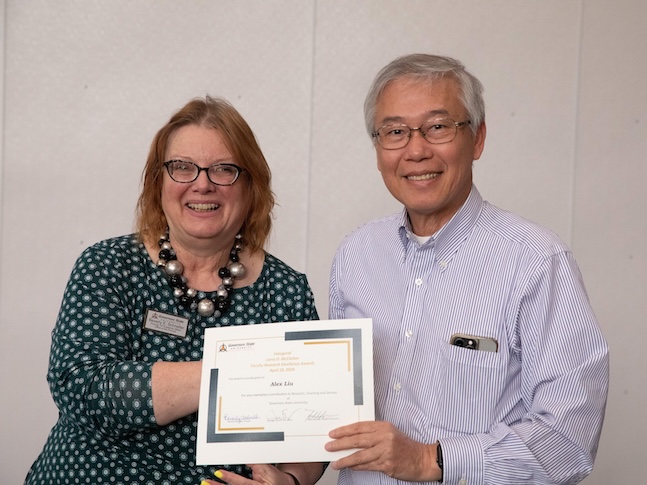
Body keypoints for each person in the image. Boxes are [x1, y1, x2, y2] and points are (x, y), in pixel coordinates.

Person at [324, 54, 609, 484]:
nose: (416, 150)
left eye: (438, 127)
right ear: (378, 148)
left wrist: (429, 460)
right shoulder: (356, 253)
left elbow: (567, 439)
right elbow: (332, 406)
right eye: (395, 132)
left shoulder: (536, 261)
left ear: (477, 139)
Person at [25, 96, 325, 485]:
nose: (202, 184)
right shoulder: (108, 264)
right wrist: (237, 376)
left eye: (224, 169)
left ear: (251, 186)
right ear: (158, 181)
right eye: (182, 168)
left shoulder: (286, 290)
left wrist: (291, 481)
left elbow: (316, 425)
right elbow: (84, 387)